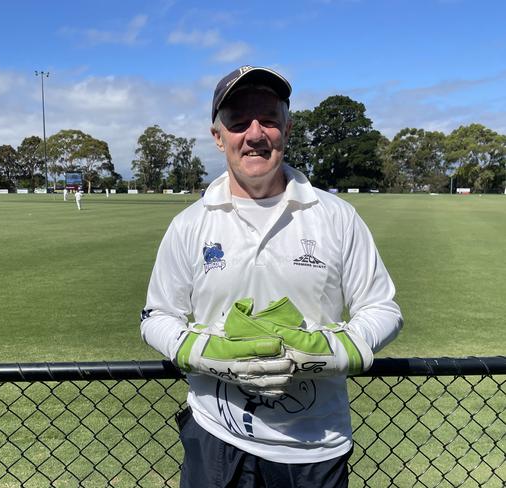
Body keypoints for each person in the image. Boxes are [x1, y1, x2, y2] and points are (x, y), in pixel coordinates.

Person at [140, 65, 403, 488]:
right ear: (218, 136)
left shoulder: (336, 217)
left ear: (288, 128)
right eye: (239, 123)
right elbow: (156, 316)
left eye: (269, 121)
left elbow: (382, 308)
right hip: (216, 439)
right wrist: (200, 350)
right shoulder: (189, 225)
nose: (256, 134)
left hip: (316, 444)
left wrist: (334, 351)